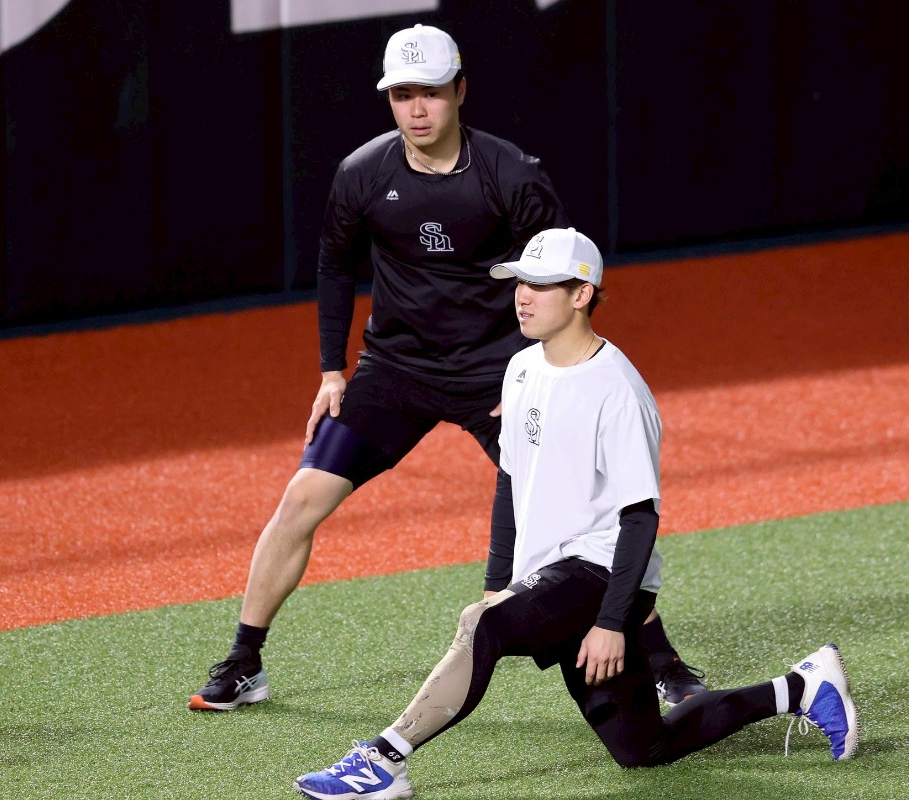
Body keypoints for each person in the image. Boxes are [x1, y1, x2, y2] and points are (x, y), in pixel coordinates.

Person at [189, 24, 704, 712]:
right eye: (402, 95)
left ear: (460, 91)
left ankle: (662, 661)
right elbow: (335, 265)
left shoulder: (510, 175)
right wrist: (330, 371)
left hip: (497, 371)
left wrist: (536, 374)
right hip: (394, 370)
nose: (417, 109)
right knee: (301, 498)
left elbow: (559, 278)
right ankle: (244, 659)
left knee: (589, 512)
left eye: (430, 92)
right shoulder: (363, 174)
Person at [292, 227, 860, 799]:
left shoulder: (618, 391)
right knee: (642, 748)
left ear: (582, 294)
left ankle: (382, 761)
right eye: (520, 281)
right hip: (555, 579)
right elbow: (509, 482)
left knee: (479, 626)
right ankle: (799, 688)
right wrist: (499, 584)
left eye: (540, 284)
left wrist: (612, 622)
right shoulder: (521, 370)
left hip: (600, 572)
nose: (522, 294)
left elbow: (640, 519)